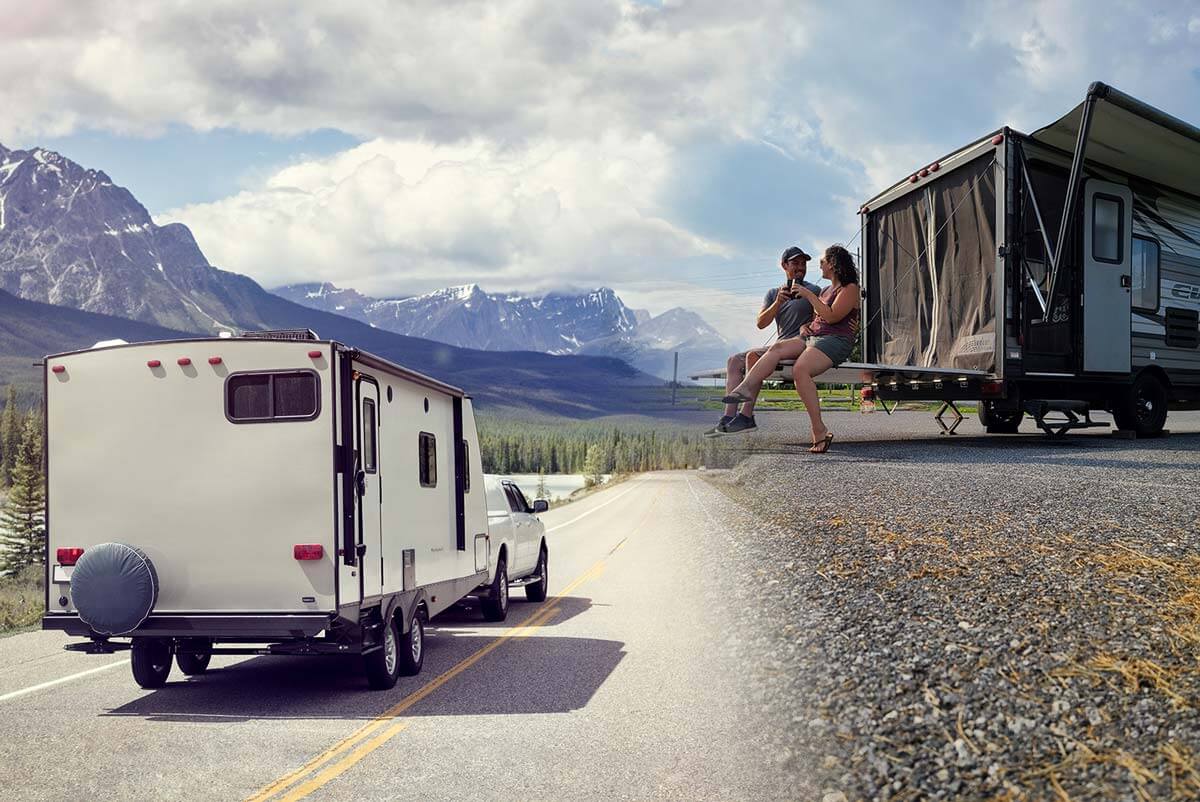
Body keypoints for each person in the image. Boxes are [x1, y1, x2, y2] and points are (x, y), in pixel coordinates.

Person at [724, 244, 860, 453]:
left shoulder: (850, 289)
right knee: (777, 347)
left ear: (832, 264)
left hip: (835, 340)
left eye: (822, 261)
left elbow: (832, 316)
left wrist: (807, 294)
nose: (819, 265)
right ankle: (743, 388)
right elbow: (819, 318)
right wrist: (806, 326)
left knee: (800, 370)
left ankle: (819, 430)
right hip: (814, 337)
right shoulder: (824, 290)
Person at [705, 246, 820, 436]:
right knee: (733, 360)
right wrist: (777, 303)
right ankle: (728, 418)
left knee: (753, 356)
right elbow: (761, 324)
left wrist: (808, 323)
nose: (800, 267)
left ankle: (747, 416)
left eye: (803, 263)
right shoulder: (773, 293)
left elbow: (821, 318)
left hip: (801, 344)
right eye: (795, 263)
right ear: (784, 265)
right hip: (779, 345)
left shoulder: (813, 290)